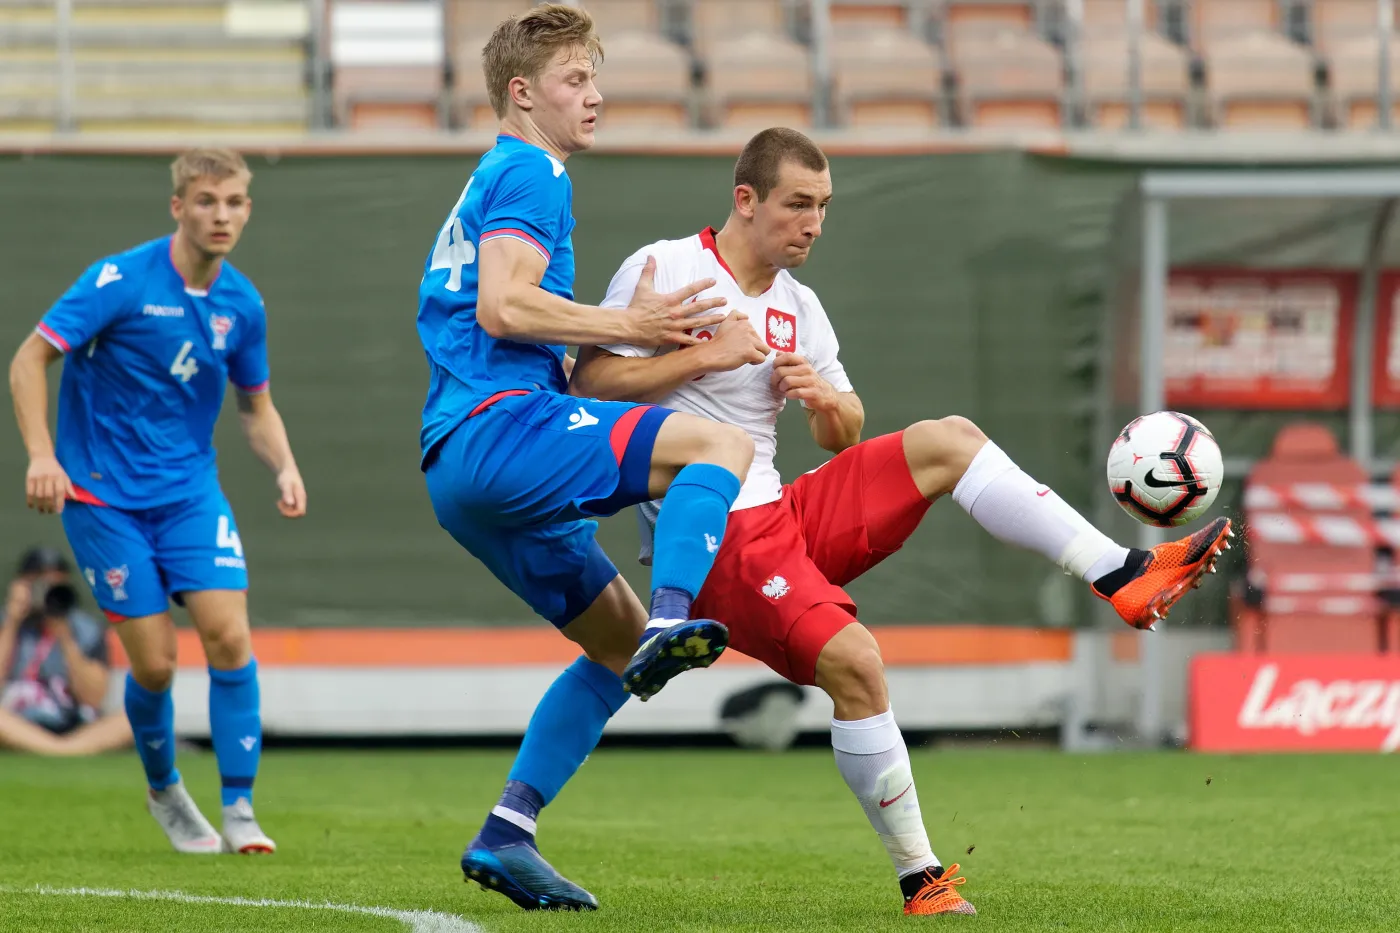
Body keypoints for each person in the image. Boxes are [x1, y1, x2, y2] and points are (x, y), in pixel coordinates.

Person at [570, 127, 1236, 917]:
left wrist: (823, 398)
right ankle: (921, 876)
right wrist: (699, 358)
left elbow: (844, 431)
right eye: (796, 205)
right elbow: (591, 386)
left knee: (947, 440)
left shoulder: (799, 306)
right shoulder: (666, 267)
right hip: (714, 540)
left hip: (783, 511)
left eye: (823, 207)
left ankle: (1122, 574)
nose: (813, 223)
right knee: (858, 663)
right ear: (745, 200)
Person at [417, 5, 754, 910]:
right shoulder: (532, 169)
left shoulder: (501, 174)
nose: (595, 95)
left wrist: (682, 355)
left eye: (595, 77)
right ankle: (673, 616)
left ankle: (508, 832)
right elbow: (505, 308)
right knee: (720, 443)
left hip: (463, 465)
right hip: (501, 429)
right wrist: (633, 323)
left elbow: (574, 373)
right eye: (576, 80)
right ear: (523, 94)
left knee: (611, 647)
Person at [7, 148, 306, 855]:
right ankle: (165, 786)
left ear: (248, 209)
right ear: (178, 207)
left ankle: (239, 809)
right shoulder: (119, 280)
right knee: (156, 667)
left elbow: (255, 407)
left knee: (230, 636)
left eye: (234, 202)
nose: (221, 215)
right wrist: (42, 455)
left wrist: (285, 466)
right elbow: (29, 358)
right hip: (103, 498)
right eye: (206, 201)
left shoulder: (243, 303)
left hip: (189, 494)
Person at [0, 547, 132, 755]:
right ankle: (66, 752)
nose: (45, 590)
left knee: (132, 718)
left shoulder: (86, 630)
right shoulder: (7, 623)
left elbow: (92, 698)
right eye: (39, 581)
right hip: (19, 721)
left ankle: (54, 750)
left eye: (54, 582)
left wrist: (64, 635)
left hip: (75, 723)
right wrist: (12, 621)